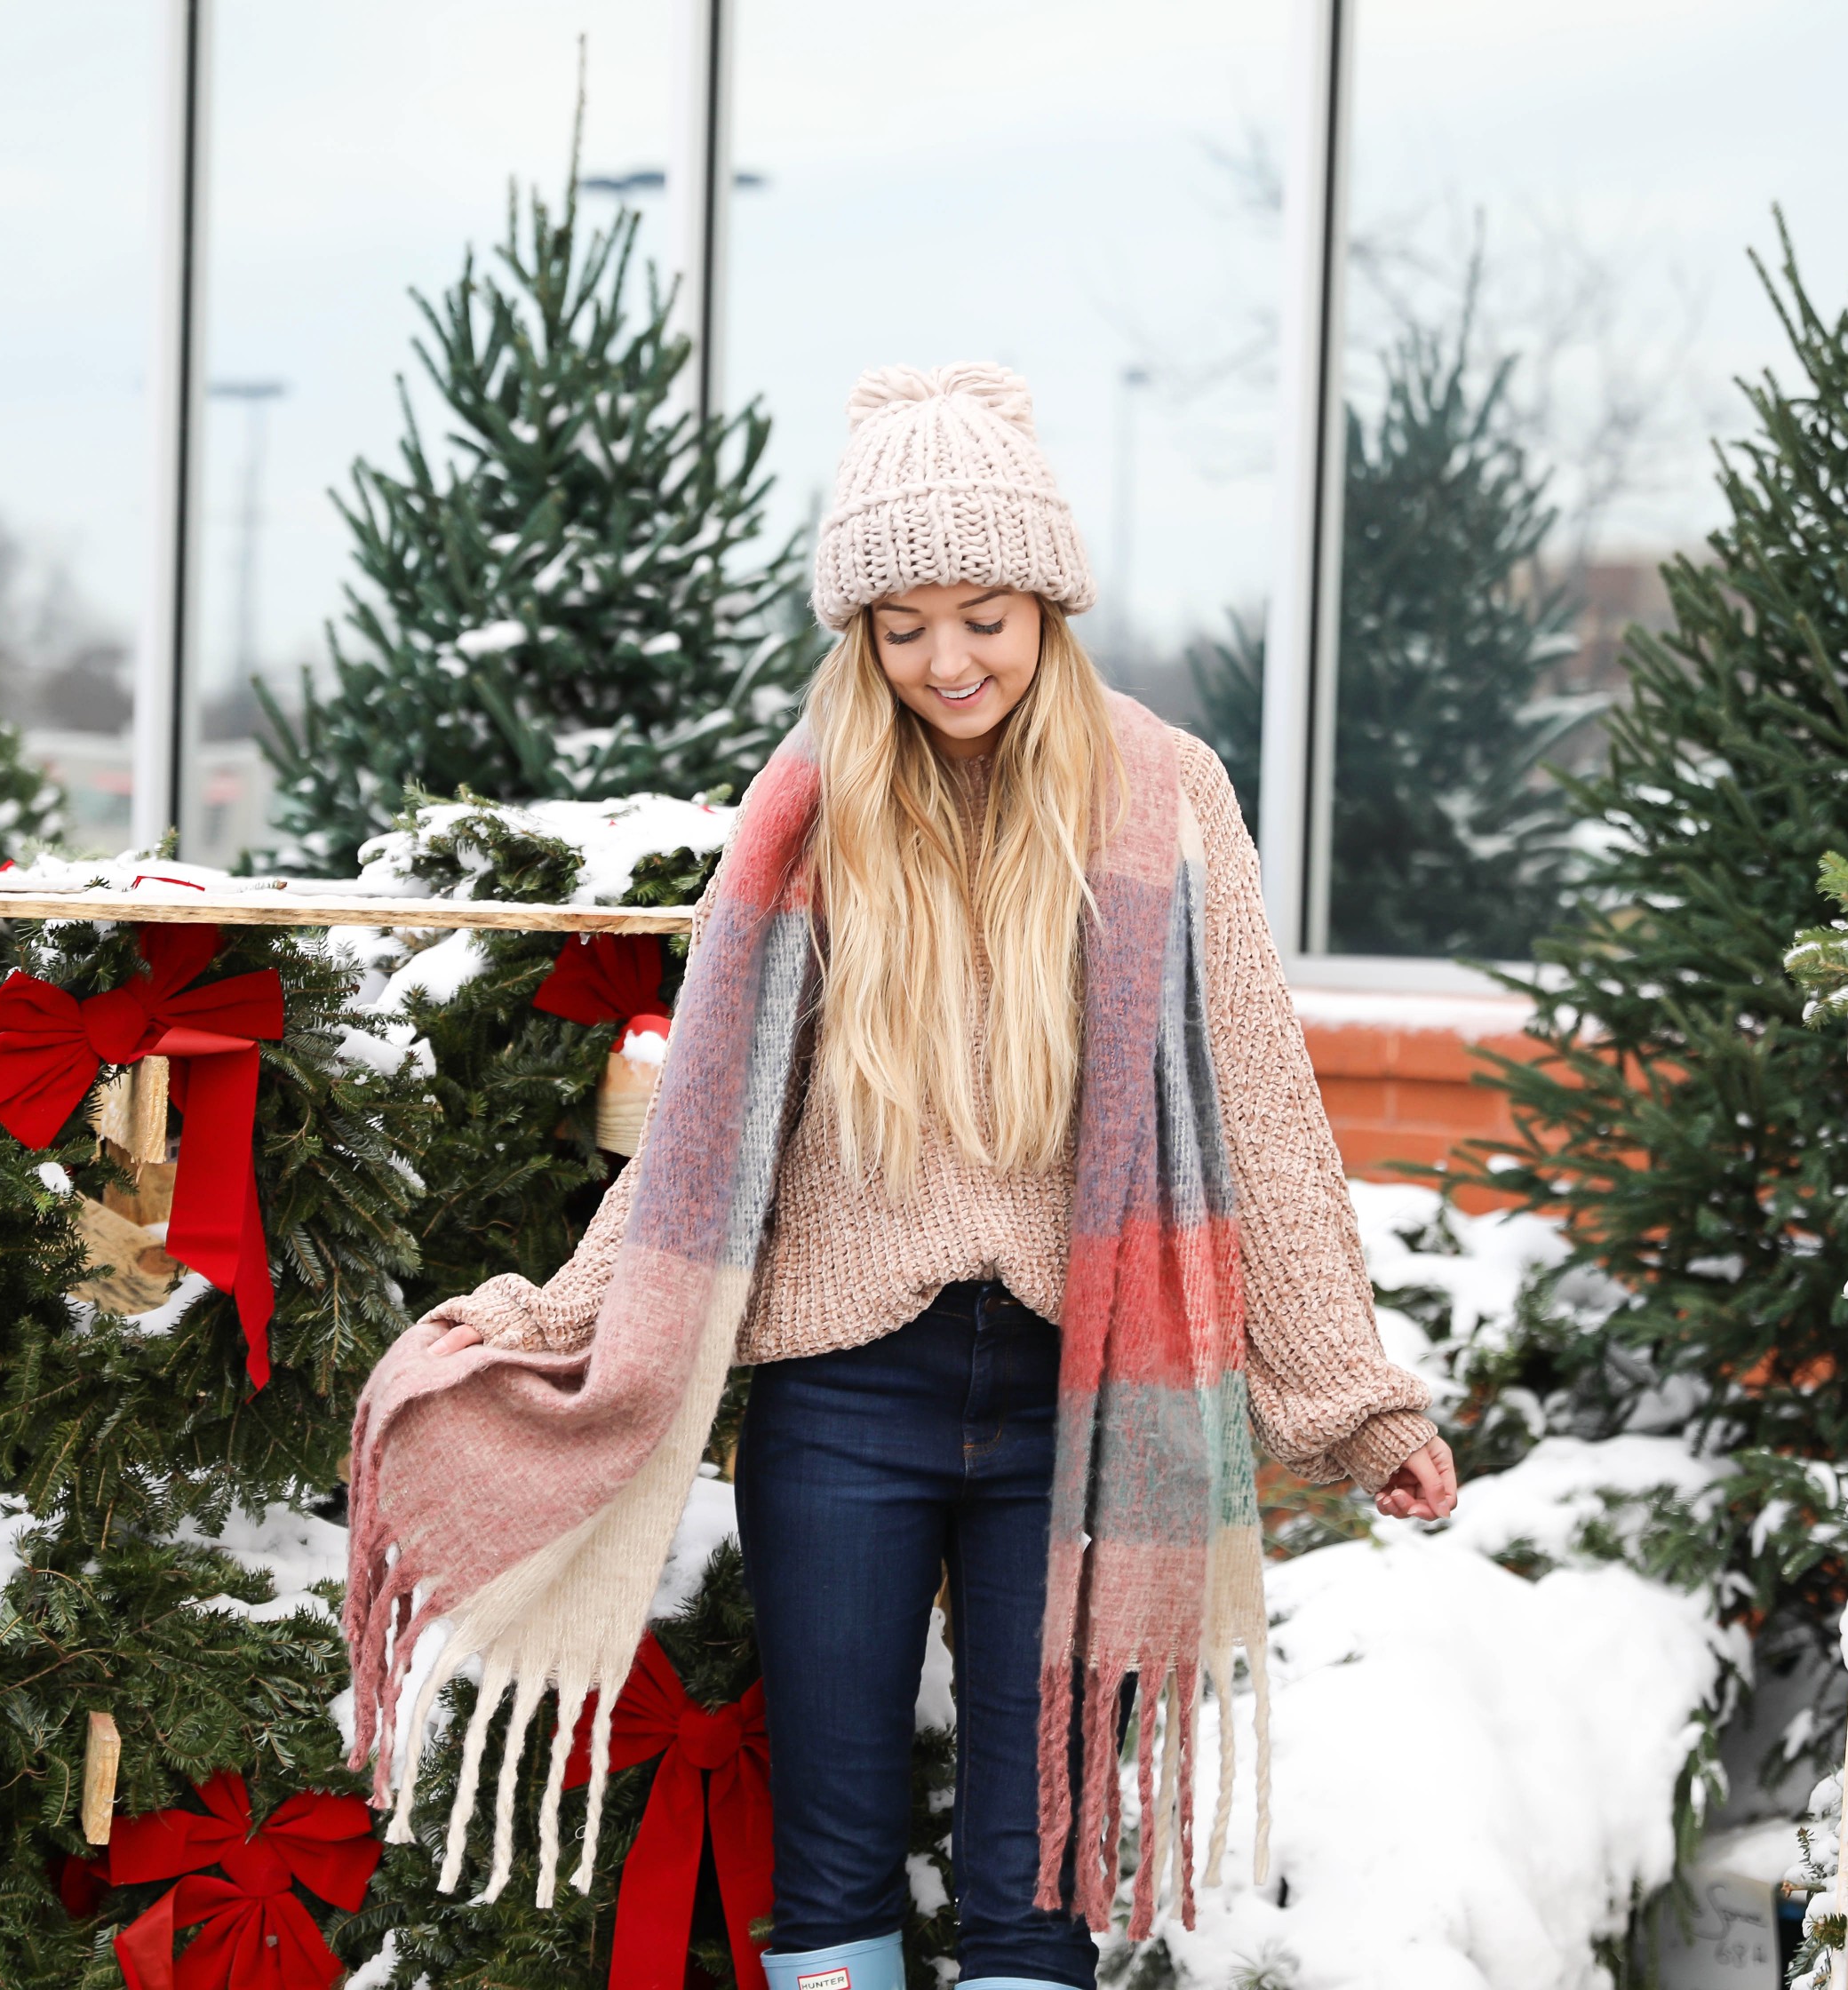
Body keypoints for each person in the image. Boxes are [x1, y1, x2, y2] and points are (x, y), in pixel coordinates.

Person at [345, 363, 1455, 1990]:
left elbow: (1263, 1110)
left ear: (1048, 603)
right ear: (859, 633)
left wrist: (1353, 1400)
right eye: (904, 624)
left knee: (1035, 1869)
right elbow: (712, 1137)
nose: (949, 661)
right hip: (843, 1395)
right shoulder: (806, 810)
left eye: (985, 614)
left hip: (1089, 1396)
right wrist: (557, 1322)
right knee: (841, 1845)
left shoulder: (1165, 795)